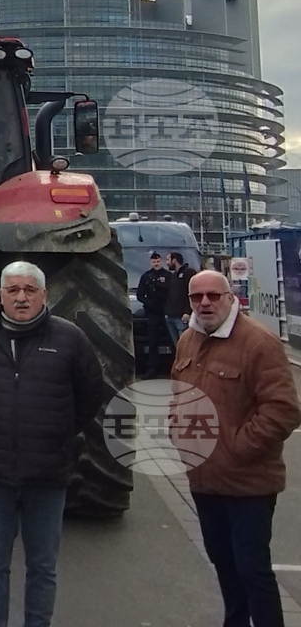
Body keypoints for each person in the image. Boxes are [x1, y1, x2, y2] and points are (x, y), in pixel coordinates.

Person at [0, 261, 104, 627]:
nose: (21, 297)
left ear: (44, 295)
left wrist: (58, 433)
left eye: (30, 290)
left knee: (42, 566)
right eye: (13, 290)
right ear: (0, 295)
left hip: (47, 474)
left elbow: (90, 395)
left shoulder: (70, 339)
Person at [173, 270, 301, 627]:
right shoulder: (188, 340)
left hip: (248, 485)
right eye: (197, 297)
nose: (205, 303)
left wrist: (237, 449)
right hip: (204, 480)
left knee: (251, 567)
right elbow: (178, 394)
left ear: (230, 298)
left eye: (214, 295)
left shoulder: (258, 342)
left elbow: (283, 409)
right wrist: (178, 434)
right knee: (224, 563)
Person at [136, 251, 171, 378]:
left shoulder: (168, 276)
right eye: (154, 261)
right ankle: (152, 369)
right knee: (152, 341)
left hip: (167, 313)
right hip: (153, 313)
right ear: (150, 262)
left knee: (172, 340)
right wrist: (149, 304)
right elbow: (140, 295)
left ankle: (173, 366)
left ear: (161, 261)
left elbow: (173, 293)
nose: (156, 263)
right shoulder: (146, 276)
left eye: (158, 261)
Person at [164, 251, 195, 347]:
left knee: (185, 345)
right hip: (170, 316)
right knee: (177, 346)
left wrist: (187, 312)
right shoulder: (173, 275)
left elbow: (192, 293)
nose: (166, 263)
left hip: (182, 317)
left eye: (168, 260)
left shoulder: (188, 272)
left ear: (174, 260)